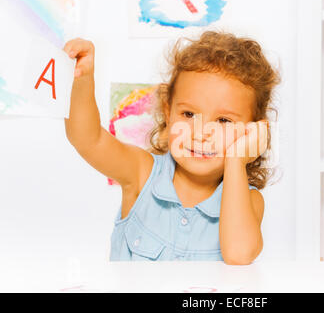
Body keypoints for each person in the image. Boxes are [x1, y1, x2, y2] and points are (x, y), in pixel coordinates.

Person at [63, 31, 280, 264]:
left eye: (223, 121)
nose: (200, 133)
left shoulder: (248, 201)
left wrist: (237, 159)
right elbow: (88, 139)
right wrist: (81, 81)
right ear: (168, 111)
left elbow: (239, 254)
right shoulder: (141, 173)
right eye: (188, 114)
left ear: (253, 132)